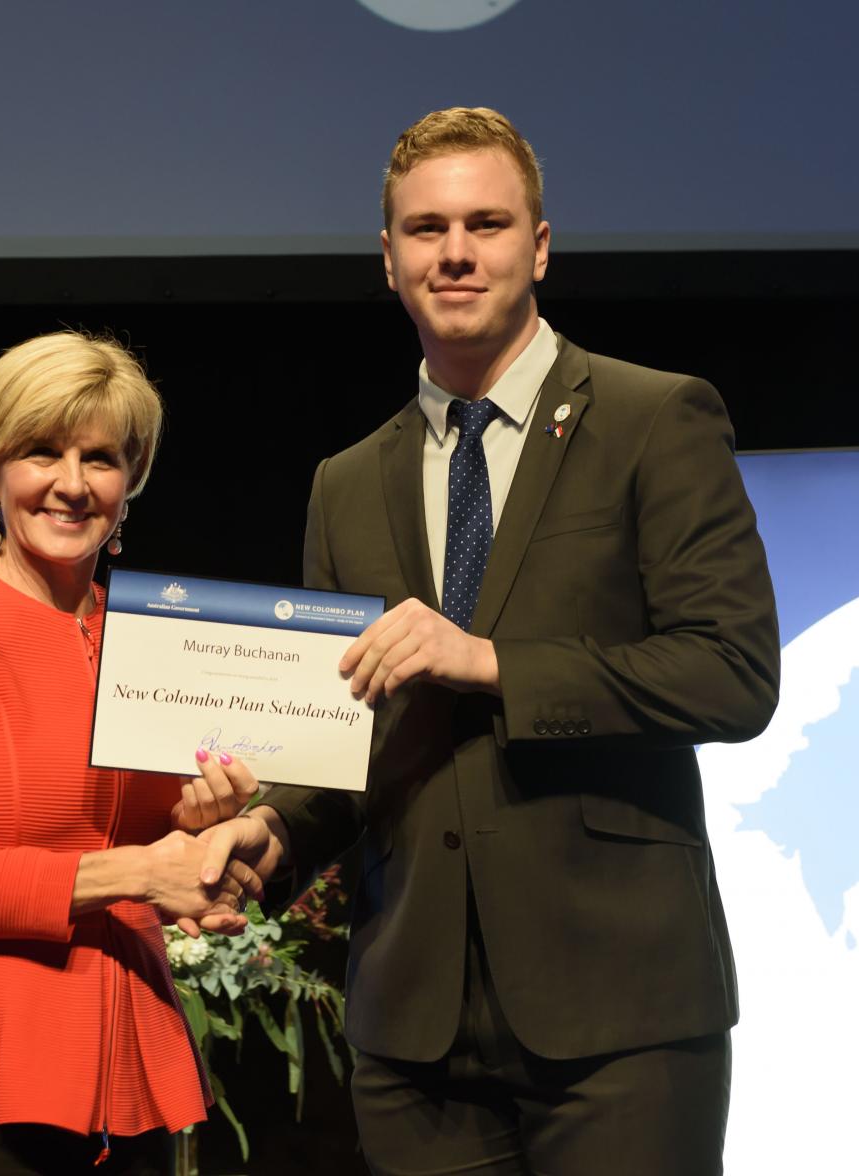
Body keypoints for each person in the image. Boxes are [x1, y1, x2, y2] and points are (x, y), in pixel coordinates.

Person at [198, 107, 780, 1175]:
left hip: (622, 1019)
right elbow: (349, 744)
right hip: (415, 1029)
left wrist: (491, 661)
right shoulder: (346, 482)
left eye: (485, 223)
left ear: (540, 246)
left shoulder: (656, 420)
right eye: (426, 229)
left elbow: (732, 672)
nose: (456, 252)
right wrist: (273, 833)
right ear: (388, 260)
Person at [0, 330, 261, 1175]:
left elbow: (154, 842)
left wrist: (208, 834)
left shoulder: (159, 639)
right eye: (43, 451)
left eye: (101, 458)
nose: (72, 485)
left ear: (132, 479)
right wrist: (142, 872)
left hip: (134, 1079)